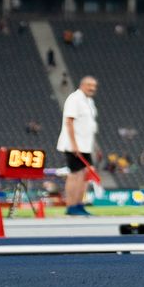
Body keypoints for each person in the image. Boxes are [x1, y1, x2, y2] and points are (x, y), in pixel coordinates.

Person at [58, 74, 100, 216]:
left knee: (86, 175)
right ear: (82, 85)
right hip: (74, 145)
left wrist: (95, 147)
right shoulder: (74, 99)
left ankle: (79, 203)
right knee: (75, 174)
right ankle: (71, 206)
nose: (92, 88)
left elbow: (89, 126)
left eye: (94, 86)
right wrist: (74, 145)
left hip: (86, 145)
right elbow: (69, 122)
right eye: (89, 85)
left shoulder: (89, 101)